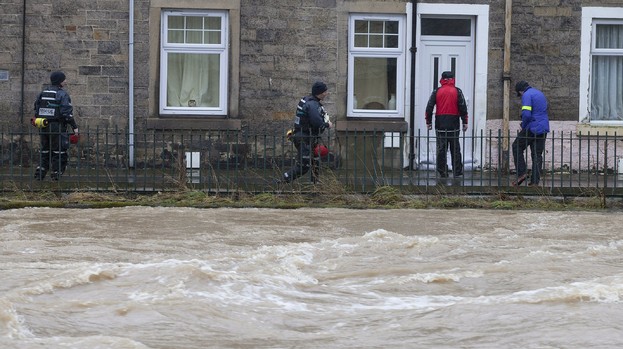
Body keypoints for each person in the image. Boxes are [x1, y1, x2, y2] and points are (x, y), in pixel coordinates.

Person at [278, 81, 332, 183]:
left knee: (315, 161)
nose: (326, 93)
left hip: (307, 137)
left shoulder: (307, 100)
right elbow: (317, 123)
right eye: (325, 91)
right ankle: (281, 181)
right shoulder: (312, 104)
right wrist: (327, 124)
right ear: (320, 92)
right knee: (303, 167)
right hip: (304, 138)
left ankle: (315, 183)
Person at [32, 71, 80, 181]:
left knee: (45, 150)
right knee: (59, 151)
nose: (66, 81)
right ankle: (56, 175)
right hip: (57, 126)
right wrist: (74, 127)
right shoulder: (62, 94)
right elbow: (66, 113)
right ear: (60, 81)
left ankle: (40, 174)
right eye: (64, 80)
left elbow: (36, 109)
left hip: (43, 124)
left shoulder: (43, 93)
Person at [425, 71, 469, 178]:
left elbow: (429, 107)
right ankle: (457, 171)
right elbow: (463, 107)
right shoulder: (457, 91)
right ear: (452, 79)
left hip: (440, 123)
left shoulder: (437, 91)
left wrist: (428, 122)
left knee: (441, 149)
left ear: (442, 79)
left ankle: (442, 172)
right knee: (455, 148)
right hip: (454, 123)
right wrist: (465, 122)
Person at [512, 80, 550, 186]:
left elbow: (527, 114)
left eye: (519, 94)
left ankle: (521, 173)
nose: (520, 96)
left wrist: (523, 125)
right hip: (543, 127)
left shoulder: (527, 95)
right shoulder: (539, 93)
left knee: (516, 146)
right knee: (537, 154)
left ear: (520, 91)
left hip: (532, 127)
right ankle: (534, 182)